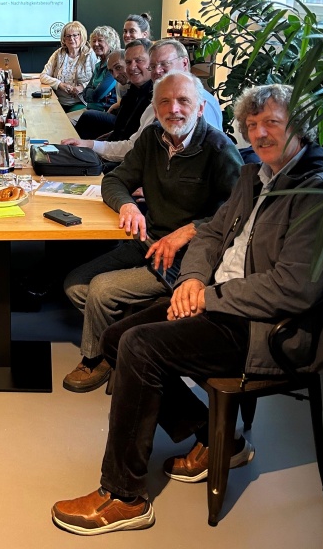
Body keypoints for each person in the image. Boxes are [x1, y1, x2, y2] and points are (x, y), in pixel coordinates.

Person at [51, 83, 323, 535]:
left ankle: (124, 495)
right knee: (115, 339)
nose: (260, 134)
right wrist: (191, 279)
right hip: (220, 302)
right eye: (252, 125)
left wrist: (205, 296)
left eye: (272, 123)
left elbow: (293, 289)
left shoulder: (319, 192)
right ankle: (217, 438)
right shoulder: (256, 176)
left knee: (140, 348)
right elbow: (210, 235)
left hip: (267, 329)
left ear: (298, 127)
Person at [62, 71, 243, 393]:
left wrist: (191, 229)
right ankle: (120, 348)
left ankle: (97, 358)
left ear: (200, 108)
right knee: (75, 284)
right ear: (156, 109)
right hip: (149, 241)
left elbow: (238, 211)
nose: (174, 109)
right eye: (165, 102)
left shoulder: (218, 149)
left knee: (102, 290)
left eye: (183, 101)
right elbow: (116, 180)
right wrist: (128, 206)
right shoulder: (151, 139)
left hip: (189, 258)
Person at [62, 39, 223, 164]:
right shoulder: (152, 105)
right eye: (153, 66)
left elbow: (207, 162)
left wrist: (156, 188)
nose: (158, 71)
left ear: (185, 63)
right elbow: (133, 147)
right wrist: (90, 145)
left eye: (164, 64)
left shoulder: (201, 103)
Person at [74, 39, 153, 141]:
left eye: (139, 60)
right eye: (128, 62)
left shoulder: (154, 95)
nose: (115, 75)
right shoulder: (133, 91)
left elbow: (96, 95)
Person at [40, 21, 97, 113]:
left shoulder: (90, 54)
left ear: (81, 36)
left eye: (75, 35)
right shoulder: (58, 54)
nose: (71, 38)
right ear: (64, 39)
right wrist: (59, 84)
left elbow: (97, 80)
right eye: (68, 36)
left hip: (80, 102)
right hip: (57, 101)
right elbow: (43, 76)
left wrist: (82, 87)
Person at [70, 25, 121, 119]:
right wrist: (92, 91)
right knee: (62, 120)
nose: (96, 44)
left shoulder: (113, 66)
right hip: (89, 110)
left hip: (103, 113)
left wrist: (92, 92)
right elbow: (86, 92)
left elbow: (97, 95)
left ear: (111, 42)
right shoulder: (98, 65)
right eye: (94, 41)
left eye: (100, 40)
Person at [115, 13, 153, 104]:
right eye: (125, 31)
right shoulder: (119, 55)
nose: (127, 35)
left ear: (144, 34)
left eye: (132, 31)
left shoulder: (152, 55)